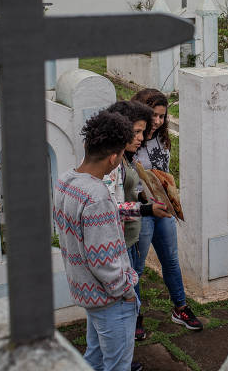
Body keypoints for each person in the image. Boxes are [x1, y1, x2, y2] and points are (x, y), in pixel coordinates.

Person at [53, 110, 164, 371]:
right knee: (117, 365)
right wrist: (126, 292)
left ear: (87, 145)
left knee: (95, 356)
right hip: (111, 298)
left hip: (87, 292)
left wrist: (144, 210)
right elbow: (103, 260)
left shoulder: (67, 181)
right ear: (114, 157)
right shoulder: (96, 195)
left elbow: (101, 218)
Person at [130, 88, 203, 335]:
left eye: (162, 116)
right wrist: (146, 202)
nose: (159, 121)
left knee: (171, 260)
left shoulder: (162, 138)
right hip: (142, 211)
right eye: (154, 115)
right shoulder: (131, 139)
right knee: (137, 269)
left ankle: (180, 308)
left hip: (164, 209)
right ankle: (134, 316)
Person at [103, 100, 170, 342]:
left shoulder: (126, 158)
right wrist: (147, 209)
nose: (142, 138)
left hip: (129, 238)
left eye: (143, 131)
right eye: (137, 132)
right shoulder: (112, 163)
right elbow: (111, 209)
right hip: (120, 241)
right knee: (124, 305)